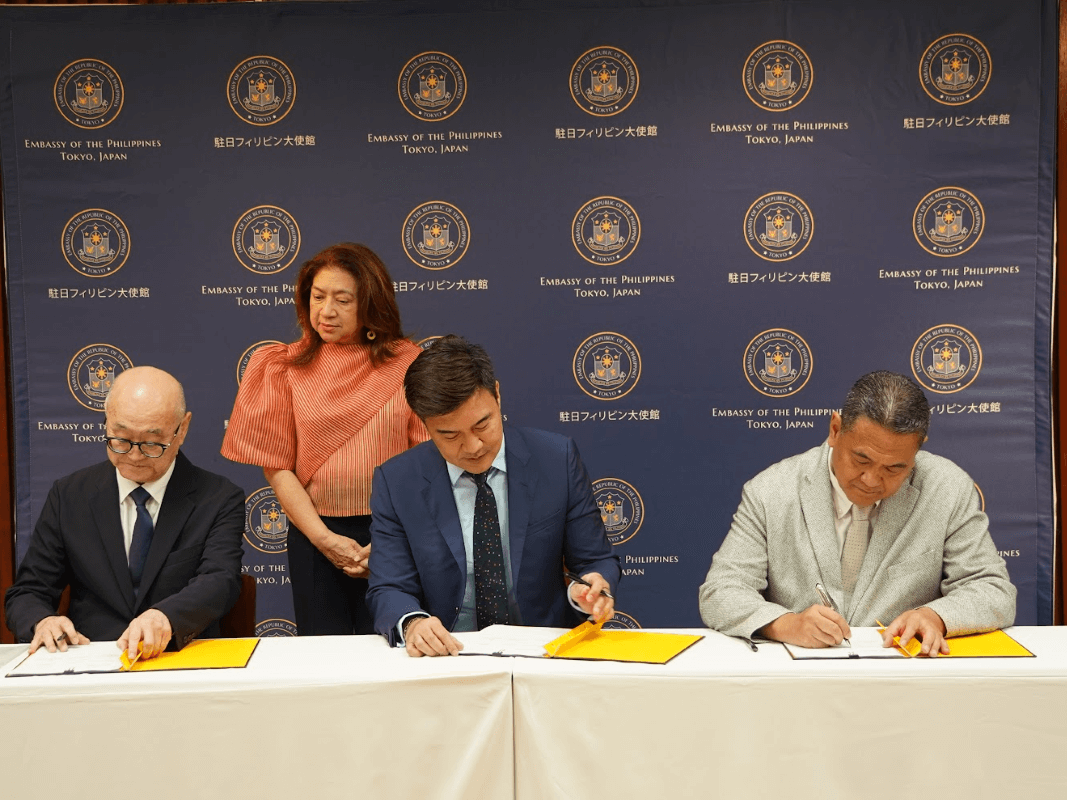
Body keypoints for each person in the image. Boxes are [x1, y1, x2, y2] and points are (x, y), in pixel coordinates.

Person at [699, 370, 1016, 657]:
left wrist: (936, 616)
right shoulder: (771, 491)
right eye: (861, 460)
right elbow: (721, 592)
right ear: (835, 430)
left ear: (917, 450)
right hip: (798, 684)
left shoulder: (948, 488)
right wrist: (784, 624)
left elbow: (993, 590)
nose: (872, 480)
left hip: (908, 678)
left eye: (895, 468)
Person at [366, 335, 620, 657]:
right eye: (450, 435)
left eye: (482, 424)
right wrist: (413, 623)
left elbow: (594, 559)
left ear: (497, 395)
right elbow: (388, 587)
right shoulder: (397, 481)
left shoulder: (555, 459)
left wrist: (594, 585)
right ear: (424, 425)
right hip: (448, 655)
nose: (473, 446)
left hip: (542, 648)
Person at [222, 242, 427, 636]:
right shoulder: (282, 366)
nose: (326, 311)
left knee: (394, 648)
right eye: (318, 297)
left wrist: (385, 544)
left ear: (371, 303)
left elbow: (425, 465)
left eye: (342, 300)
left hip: (395, 533)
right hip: (314, 537)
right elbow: (278, 468)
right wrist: (325, 540)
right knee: (323, 657)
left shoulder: (409, 364)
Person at [5, 366, 244, 661]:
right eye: (120, 438)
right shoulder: (70, 495)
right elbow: (28, 592)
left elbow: (220, 580)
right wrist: (42, 621)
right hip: (91, 662)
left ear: (182, 429)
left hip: (180, 660)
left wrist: (164, 617)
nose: (133, 455)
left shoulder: (218, 497)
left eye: (151, 442)